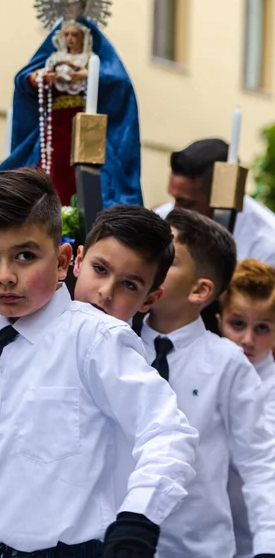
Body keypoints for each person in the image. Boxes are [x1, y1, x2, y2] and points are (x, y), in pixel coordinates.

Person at [0, 168, 198, 558]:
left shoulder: (94, 339)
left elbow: (167, 432)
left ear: (64, 260)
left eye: (25, 256)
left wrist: (139, 519)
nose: (5, 277)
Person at [140, 208, 275, 558]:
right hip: (113, 541)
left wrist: (267, 546)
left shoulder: (228, 364)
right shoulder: (116, 343)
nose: (148, 265)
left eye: (166, 259)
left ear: (200, 290)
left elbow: (259, 463)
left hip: (196, 546)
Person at [0, 18, 143, 209]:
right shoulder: (52, 58)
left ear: (84, 37)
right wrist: (38, 78)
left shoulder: (92, 60)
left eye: (75, 35)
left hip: (85, 128)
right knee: (49, 171)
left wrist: (89, 76)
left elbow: (120, 84)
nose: (71, 39)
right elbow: (25, 78)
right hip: (54, 129)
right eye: (67, 35)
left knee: (89, 176)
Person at [217, 259, 275, 558]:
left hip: (262, 532)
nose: (248, 340)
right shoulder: (206, 371)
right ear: (219, 320)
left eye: (262, 328)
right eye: (238, 324)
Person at [155, 138, 275, 266]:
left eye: (186, 203)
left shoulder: (267, 244)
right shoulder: (161, 218)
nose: (175, 210)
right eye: (174, 198)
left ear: (221, 195)